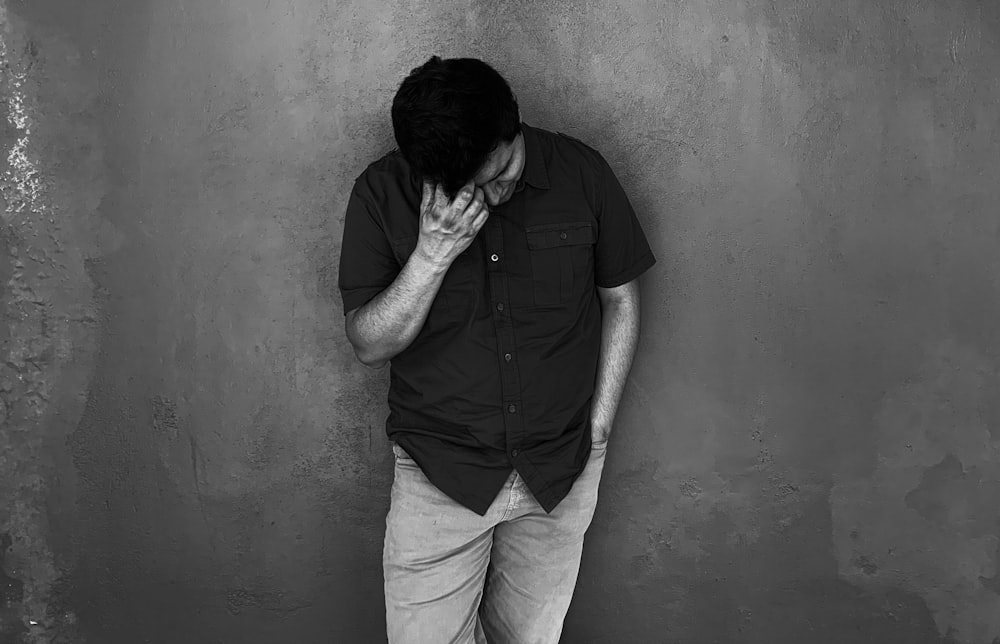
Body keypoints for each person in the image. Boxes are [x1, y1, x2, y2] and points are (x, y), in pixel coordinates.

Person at [338, 55, 655, 643]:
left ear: (517, 126)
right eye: (473, 185)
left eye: (503, 168)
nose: (494, 192)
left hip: (558, 471)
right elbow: (369, 344)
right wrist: (432, 255)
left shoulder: (581, 173)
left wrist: (600, 426)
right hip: (441, 473)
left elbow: (621, 299)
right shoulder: (382, 193)